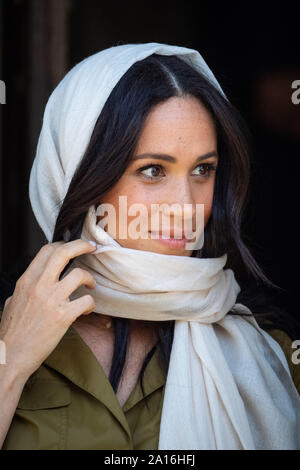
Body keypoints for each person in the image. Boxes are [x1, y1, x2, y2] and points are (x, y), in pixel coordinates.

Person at [0, 42, 299, 450]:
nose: (187, 207)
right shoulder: (11, 336)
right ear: (78, 174)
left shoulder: (270, 357)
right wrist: (12, 360)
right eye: (153, 170)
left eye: (202, 170)